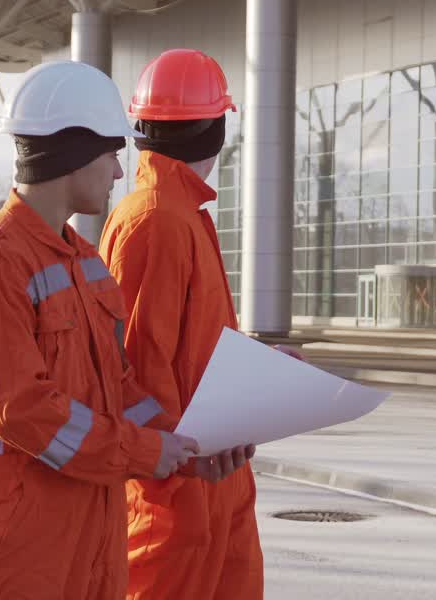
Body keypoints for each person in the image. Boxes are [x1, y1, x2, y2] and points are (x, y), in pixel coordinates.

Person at [0, 60, 201, 600]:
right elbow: (21, 410)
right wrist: (145, 452)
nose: (120, 173)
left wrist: (186, 447)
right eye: (111, 155)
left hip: (93, 530)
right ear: (74, 155)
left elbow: (117, 390)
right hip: (19, 546)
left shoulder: (86, 262)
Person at [100, 49, 301, 599]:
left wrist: (266, 374)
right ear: (216, 129)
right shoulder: (156, 219)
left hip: (214, 475)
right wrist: (174, 460)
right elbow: (133, 367)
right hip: (178, 488)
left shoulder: (181, 214)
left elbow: (196, 347)